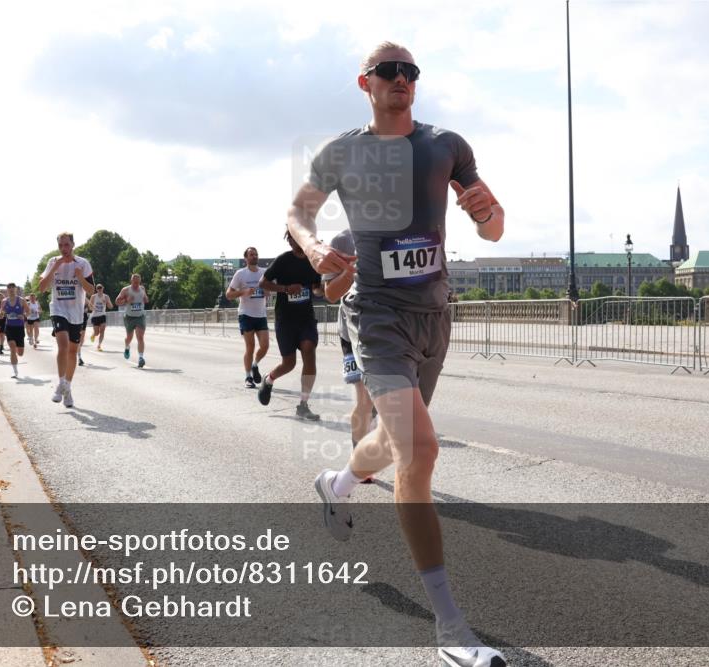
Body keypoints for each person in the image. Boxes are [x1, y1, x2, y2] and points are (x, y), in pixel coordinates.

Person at [288, 42, 506, 666]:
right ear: (366, 82)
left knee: (392, 441)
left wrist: (490, 214)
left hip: (435, 315)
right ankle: (450, 628)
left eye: (411, 73)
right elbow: (298, 213)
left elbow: (492, 227)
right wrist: (311, 250)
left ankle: (338, 481)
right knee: (420, 449)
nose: (403, 81)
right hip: (376, 315)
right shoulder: (343, 151)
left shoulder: (447, 145)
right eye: (391, 72)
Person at [322, 229, 375, 483]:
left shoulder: (395, 232)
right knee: (364, 399)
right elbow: (330, 293)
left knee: (383, 405)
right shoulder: (341, 241)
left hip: (391, 330)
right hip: (353, 331)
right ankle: (359, 461)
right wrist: (351, 271)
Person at [257, 230, 323, 421]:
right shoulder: (283, 260)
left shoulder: (313, 261)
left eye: (297, 238)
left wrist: (320, 290)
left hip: (306, 318)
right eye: (291, 239)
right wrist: (285, 289)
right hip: (285, 319)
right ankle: (268, 379)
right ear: (289, 241)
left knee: (309, 351)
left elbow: (317, 286)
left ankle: (303, 405)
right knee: (289, 363)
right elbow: (263, 283)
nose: (295, 242)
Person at [37, 232, 94, 408]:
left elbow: (91, 290)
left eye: (67, 245)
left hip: (76, 313)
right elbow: (41, 288)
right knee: (62, 346)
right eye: (61, 245)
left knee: (72, 351)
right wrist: (55, 268)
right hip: (59, 309)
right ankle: (61, 383)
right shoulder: (52, 262)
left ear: (73, 245)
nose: (64, 249)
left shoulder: (83, 264)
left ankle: (67, 388)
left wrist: (80, 277)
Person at [226, 246, 270, 387]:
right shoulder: (240, 274)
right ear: (246, 258)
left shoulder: (264, 273)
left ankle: (255, 365)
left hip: (261, 314)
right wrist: (243, 292)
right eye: (251, 254)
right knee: (250, 347)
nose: (254, 256)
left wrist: (267, 292)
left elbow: (270, 290)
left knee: (265, 346)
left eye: (256, 254)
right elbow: (228, 294)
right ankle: (248, 377)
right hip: (246, 314)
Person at [115, 273, 149, 368]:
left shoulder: (142, 289)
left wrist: (145, 299)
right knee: (129, 337)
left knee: (140, 337)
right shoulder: (125, 290)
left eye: (138, 282)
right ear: (131, 281)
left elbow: (146, 299)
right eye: (134, 282)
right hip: (129, 317)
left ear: (140, 282)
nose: (136, 284)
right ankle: (127, 347)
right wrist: (126, 301)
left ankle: (141, 358)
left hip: (140, 316)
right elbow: (117, 301)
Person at [0, 282, 28, 378]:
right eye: (9, 288)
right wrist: (1, 314)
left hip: (19, 328)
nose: (11, 289)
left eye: (13, 287)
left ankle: (16, 350)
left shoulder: (21, 301)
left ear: (16, 289)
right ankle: (15, 371)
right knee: (12, 348)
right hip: (9, 327)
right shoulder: (4, 301)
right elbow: (1, 314)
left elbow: (28, 312)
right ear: (7, 290)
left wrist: (23, 315)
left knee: (20, 353)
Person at [88, 284, 113, 351]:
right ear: (96, 289)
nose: (99, 289)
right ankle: (94, 334)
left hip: (102, 315)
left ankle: (99, 345)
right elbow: (89, 307)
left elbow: (111, 307)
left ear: (103, 288)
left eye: (100, 288)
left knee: (102, 331)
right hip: (95, 316)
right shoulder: (93, 297)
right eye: (98, 288)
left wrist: (107, 302)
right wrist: (93, 308)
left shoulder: (106, 297)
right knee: (97, 333)